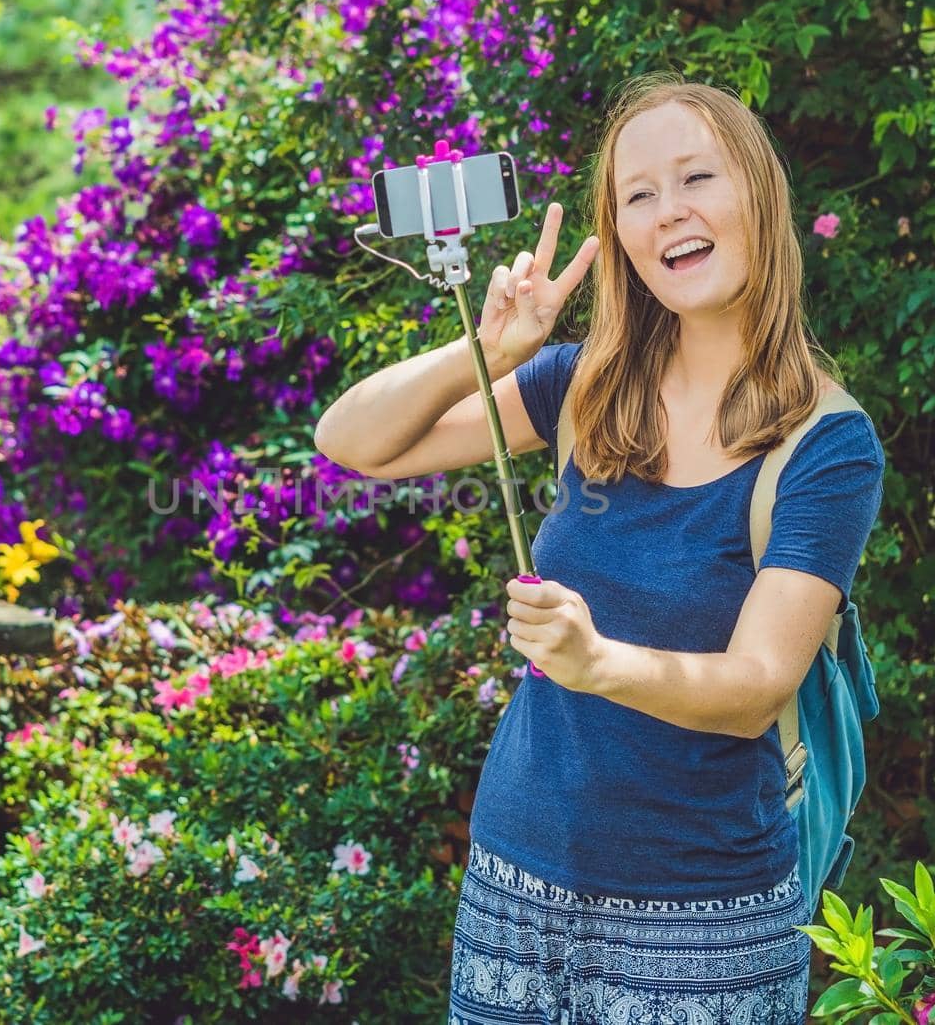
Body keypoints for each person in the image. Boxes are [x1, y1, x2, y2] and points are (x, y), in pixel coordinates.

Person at [313, 70, 885, 1023]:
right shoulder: (588, 383)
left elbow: (754, 689)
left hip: (705, 922)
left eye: (697, 177)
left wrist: (598, 662)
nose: (670, 213)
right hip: (517, 881)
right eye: (639, 194)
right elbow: (352, 442)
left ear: (758, 194)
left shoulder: (825, 445)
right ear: (618, 233)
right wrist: (488, 351)